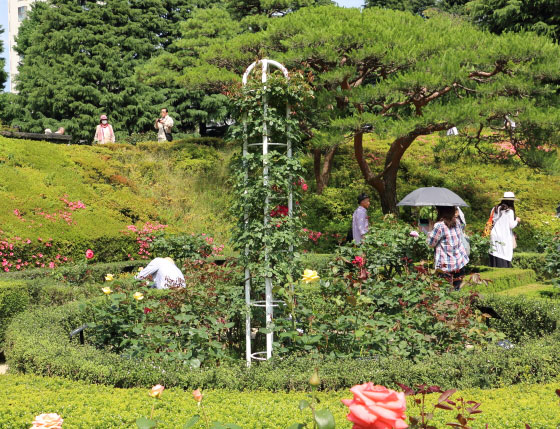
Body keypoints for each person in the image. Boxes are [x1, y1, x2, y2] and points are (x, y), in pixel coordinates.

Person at [427, 205, 469, 290]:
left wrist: (431, 229)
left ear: (440, 211)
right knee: (457, 292)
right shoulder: (457, 222)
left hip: (445, 265)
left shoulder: (439, 226)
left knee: (445, 294)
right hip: (458, 263)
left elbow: (430, 243)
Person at [489, 192, 520, 268]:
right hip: (504, 235)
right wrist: (517, 220)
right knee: (504, 254)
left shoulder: (495, 208)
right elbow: (511, 225)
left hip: (494, 234)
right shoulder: (509, 211)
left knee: (495, 253)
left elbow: (491, 221)